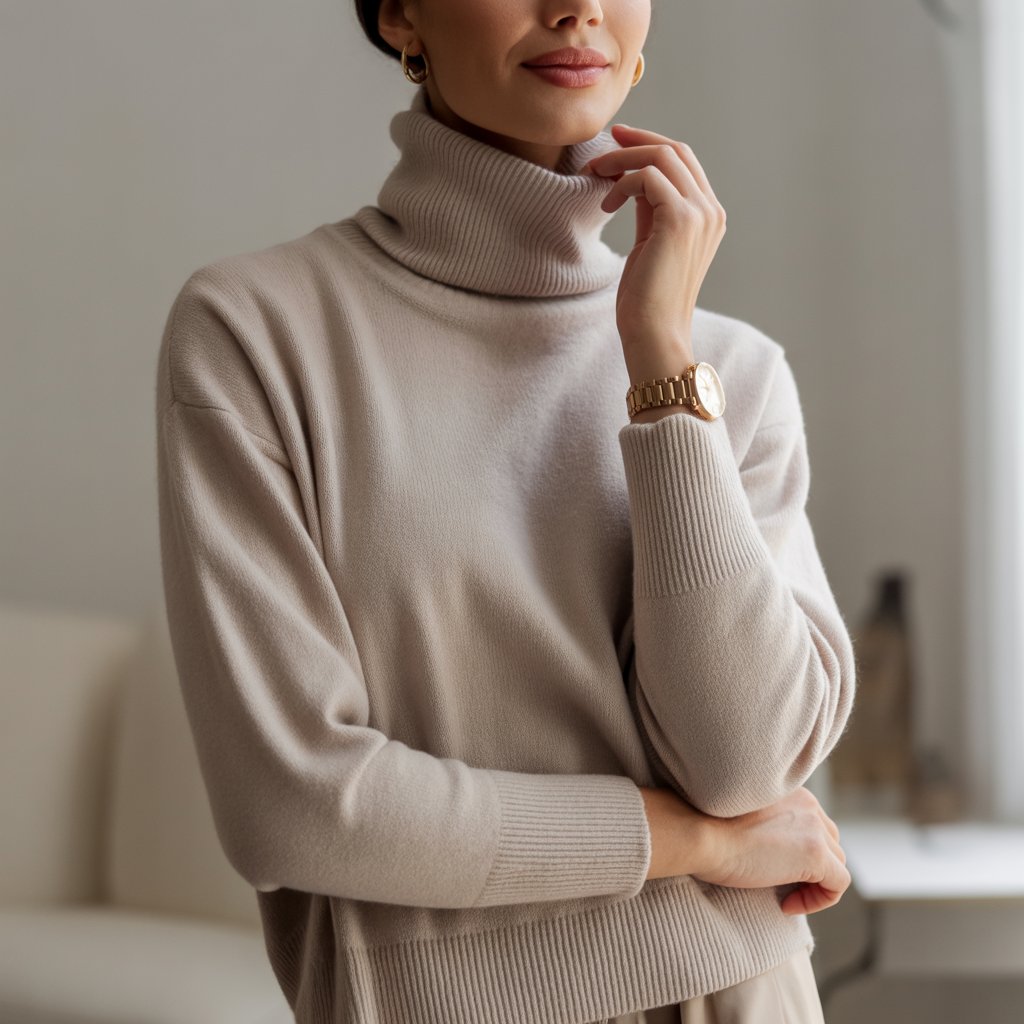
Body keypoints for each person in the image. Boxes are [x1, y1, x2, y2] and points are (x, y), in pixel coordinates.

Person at [154, 0, 857, 1021]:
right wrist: (698, 845)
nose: (576, 7)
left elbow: (740, 759)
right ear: (402, 14)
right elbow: (295, 806)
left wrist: (660, 359)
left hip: (744, 995)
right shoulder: (258, 334)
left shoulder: (728, 370)